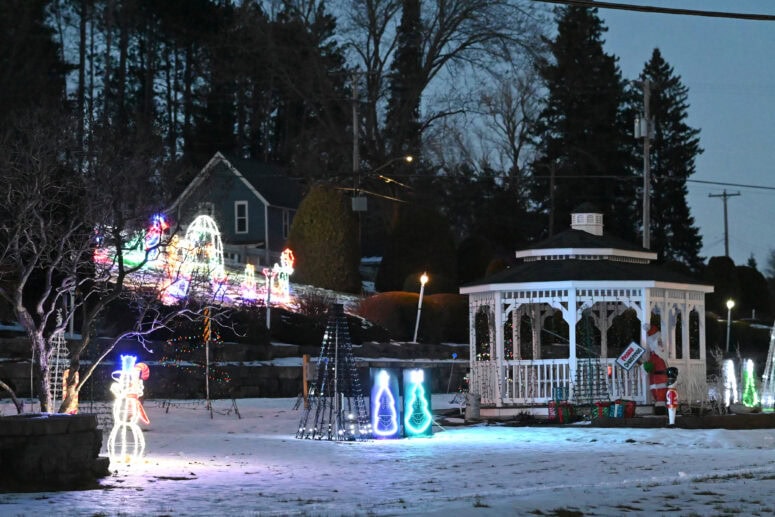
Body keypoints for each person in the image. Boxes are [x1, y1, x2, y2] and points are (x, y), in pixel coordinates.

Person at [642, 325, 668, 414]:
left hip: (658, 380)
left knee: (659, 395)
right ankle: (661, 406)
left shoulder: (656, 356)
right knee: (660, 395)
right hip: (660, 379)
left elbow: (648, 367)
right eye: (659, 342)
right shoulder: (662, 354)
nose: (660, 343)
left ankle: (660, 409)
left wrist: (643, 364)